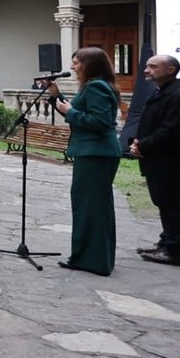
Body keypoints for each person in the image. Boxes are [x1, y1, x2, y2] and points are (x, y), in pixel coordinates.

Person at [50, 47, 123, 276]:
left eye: (76, 62)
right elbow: (79, 112)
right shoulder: (96, 85)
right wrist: (56, 96)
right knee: (92, 206)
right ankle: (93, 257)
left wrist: (70, 112)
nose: (73, 67)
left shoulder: (97, 87)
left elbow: (99, 121)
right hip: (95, 152)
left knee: (90, 207)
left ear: (91, 64)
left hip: (96, 153)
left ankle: (92, 260)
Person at [131, 54, 180, 268]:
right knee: (163, 202)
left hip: (170, 160)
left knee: (170, 204)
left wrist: (143, 145)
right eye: (147, 66)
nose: (146, 70)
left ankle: (176, 251)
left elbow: (171, 130)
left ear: (170, 70)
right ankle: (166, 242)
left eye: (153, 66)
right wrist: (137, 141)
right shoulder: (163, 92)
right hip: (157, 158)